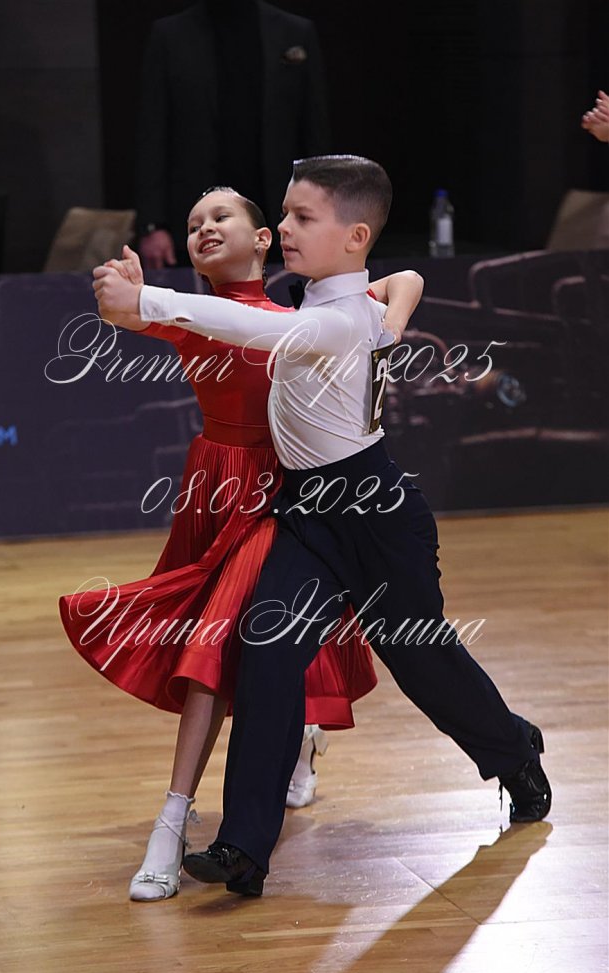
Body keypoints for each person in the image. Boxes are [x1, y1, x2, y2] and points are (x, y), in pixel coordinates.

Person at [93, 155, 553, 900]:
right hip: (306, 510)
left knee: (423, 661)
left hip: (376, 512)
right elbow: (403, 279)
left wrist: (150, 298)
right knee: (266, 651)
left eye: (303, 217)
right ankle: (243, 846)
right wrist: (399, 303)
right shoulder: (345, 301)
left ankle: (513, 751)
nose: (286, 227)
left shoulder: (332, 320)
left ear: (355, 236)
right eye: (286, 213)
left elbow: (244, 323)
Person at [61, 184, 425, 902]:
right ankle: (290, 743)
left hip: (281, 494)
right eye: (193, 223)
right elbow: (121, 311)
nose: (203, 228)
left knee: (217, 647)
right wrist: (117, 289)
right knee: (240, 638)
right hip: (212, 493)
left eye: (220, 217)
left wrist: (392, 323)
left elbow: (404, 278)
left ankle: (173, 820)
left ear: (263, 240)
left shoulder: (303, 318)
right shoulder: (196, 316)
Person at [134, 0, 331, 267]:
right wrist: (152, 225)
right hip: (194, 219)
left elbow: (315, 135)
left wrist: (319, 216)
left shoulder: (294, 32)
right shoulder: (170, 36)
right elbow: (152, 137)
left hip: (280, 217)